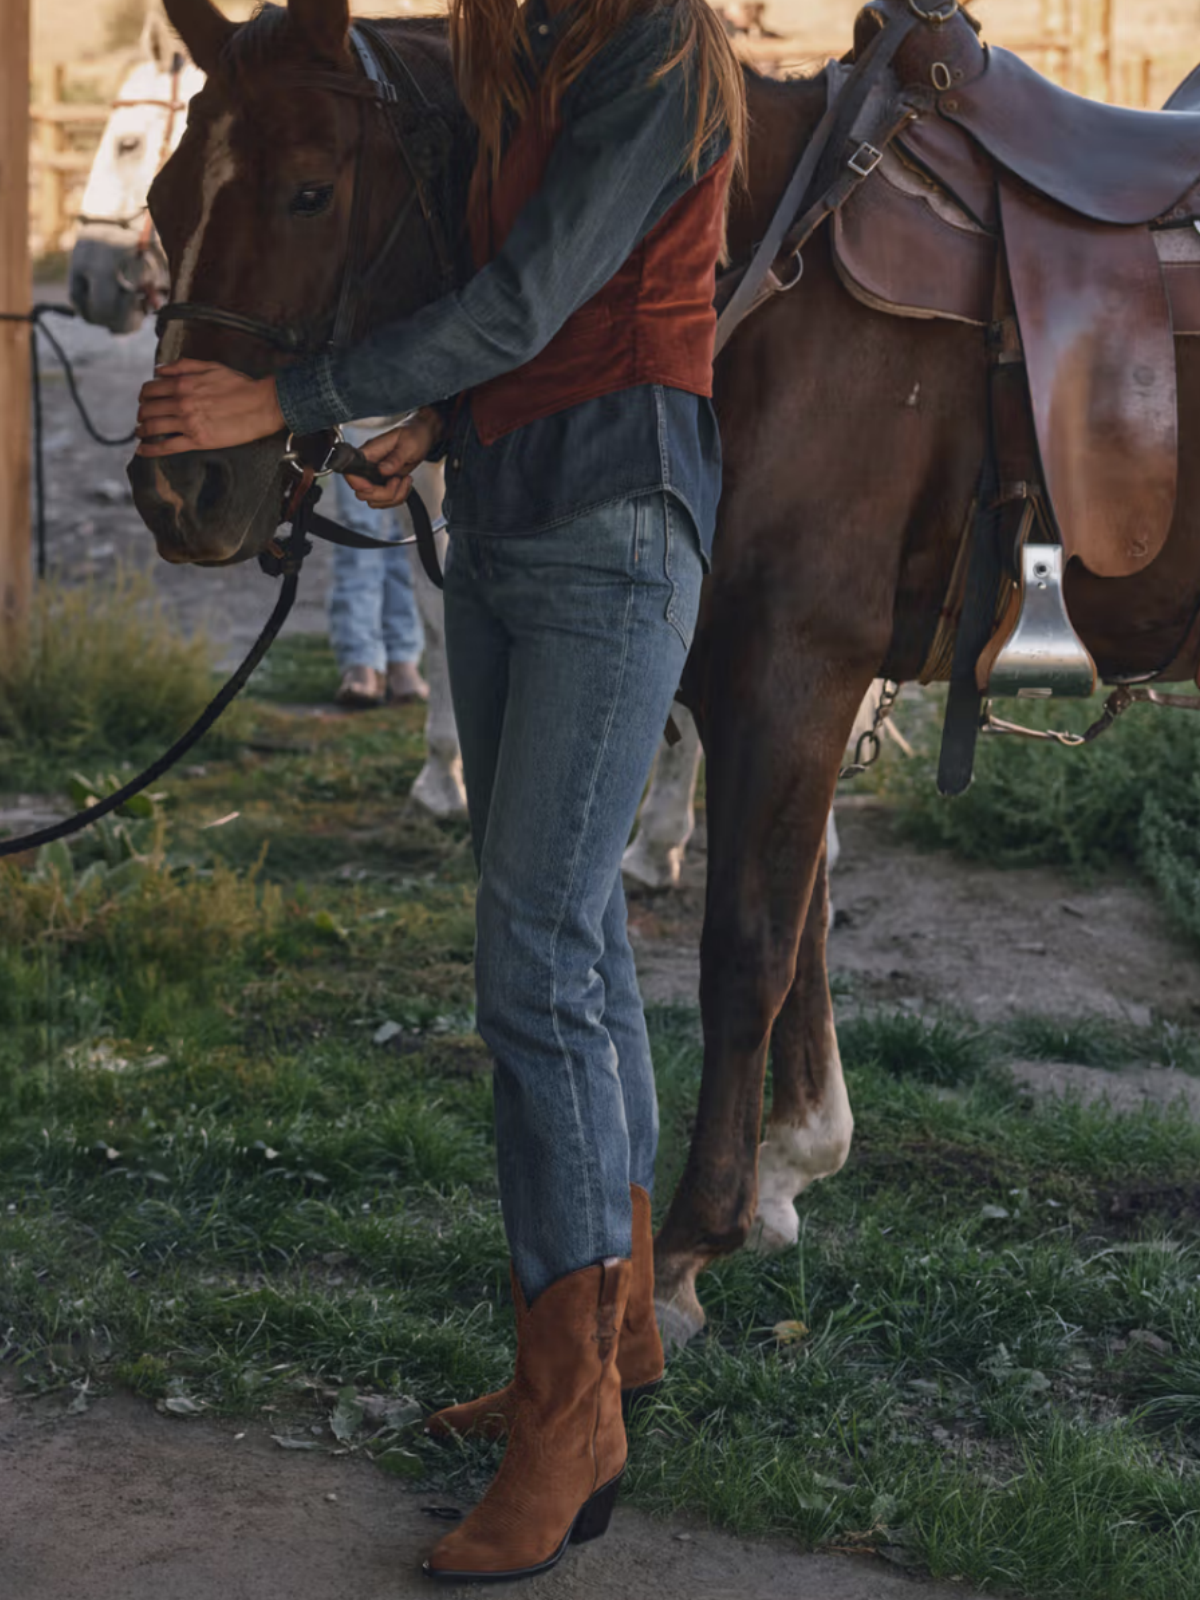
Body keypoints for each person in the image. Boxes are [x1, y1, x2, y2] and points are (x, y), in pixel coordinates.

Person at [134, 0, 745, 1581]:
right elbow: (497, 313)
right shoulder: (519, 59)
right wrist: (438, 429)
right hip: (509, 525)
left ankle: (570, 1424)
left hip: (620, 520)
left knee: (531, 961)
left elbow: (538, 296)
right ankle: (612, 1338)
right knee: (575, 937)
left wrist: (293, 397)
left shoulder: (660, 48)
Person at [327, 420, 429, 709]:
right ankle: (360, 659)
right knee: (359, 526)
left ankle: (403, 656)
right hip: (354, 403)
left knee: (409, 530)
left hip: (413, 399)